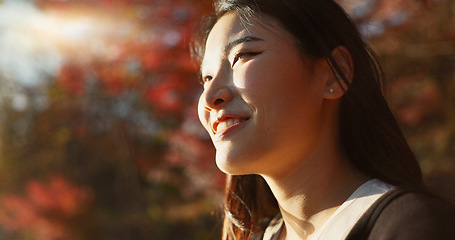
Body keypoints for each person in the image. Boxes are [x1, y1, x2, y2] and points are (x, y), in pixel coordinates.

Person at [190, 0, 455, 239]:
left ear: (333, 75)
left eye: (242, 56)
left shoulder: (413, 226)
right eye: (206, 78)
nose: (211, 97)